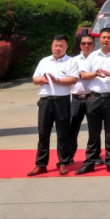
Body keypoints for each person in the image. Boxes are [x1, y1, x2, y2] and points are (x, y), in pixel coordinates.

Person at [74, 27, 110, 174]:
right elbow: (83, 75)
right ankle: (90, 162)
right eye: (103, 37)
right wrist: (95, 74)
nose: (106, 40)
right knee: (93, 132)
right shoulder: (93, 56)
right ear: (99, 39)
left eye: (109, 37)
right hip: (94, 97)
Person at [29, 35, 80, 176]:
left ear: (66, 47)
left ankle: (63, 163)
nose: (58, 48)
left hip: (62, 100)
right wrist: (42, 80)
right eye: (55, 45)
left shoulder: (71, 62)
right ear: (52, 46)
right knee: (43, 133)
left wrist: (57, 80)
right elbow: (35, 79)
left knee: (62, 133)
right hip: (45, 101)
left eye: (61, 46)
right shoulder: (44, 61)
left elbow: (73, 79)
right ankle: (41, 164)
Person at [65, 33, 96, 167]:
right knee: (72, 128)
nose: (86, 46)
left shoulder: (98, 59)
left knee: (94, 129)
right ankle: (69, 155)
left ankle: (94, 155)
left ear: (94, 45)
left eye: (89, 43)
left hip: (93, 98)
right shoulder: (73, 61)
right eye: (83, 43)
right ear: (80, 45)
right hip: (77, 98)